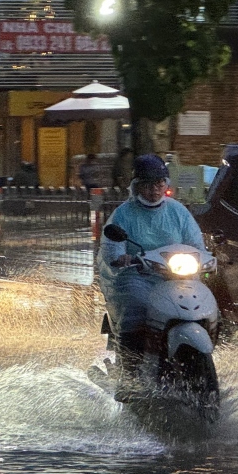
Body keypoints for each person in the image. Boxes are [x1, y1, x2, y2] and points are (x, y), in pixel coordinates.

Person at [97, 153, 206, 400]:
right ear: (136, 186)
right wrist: (121, 257)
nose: (154, 190)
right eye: (148, 184)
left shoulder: (178, 212)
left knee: (202, 302)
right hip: (137, 275)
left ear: (166, 184)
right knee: (136, 307)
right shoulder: (123, 214)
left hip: (175, 276)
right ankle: (130, 376)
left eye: (159, 184)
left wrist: (205, 256)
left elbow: (195, 243)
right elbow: (111, 247)